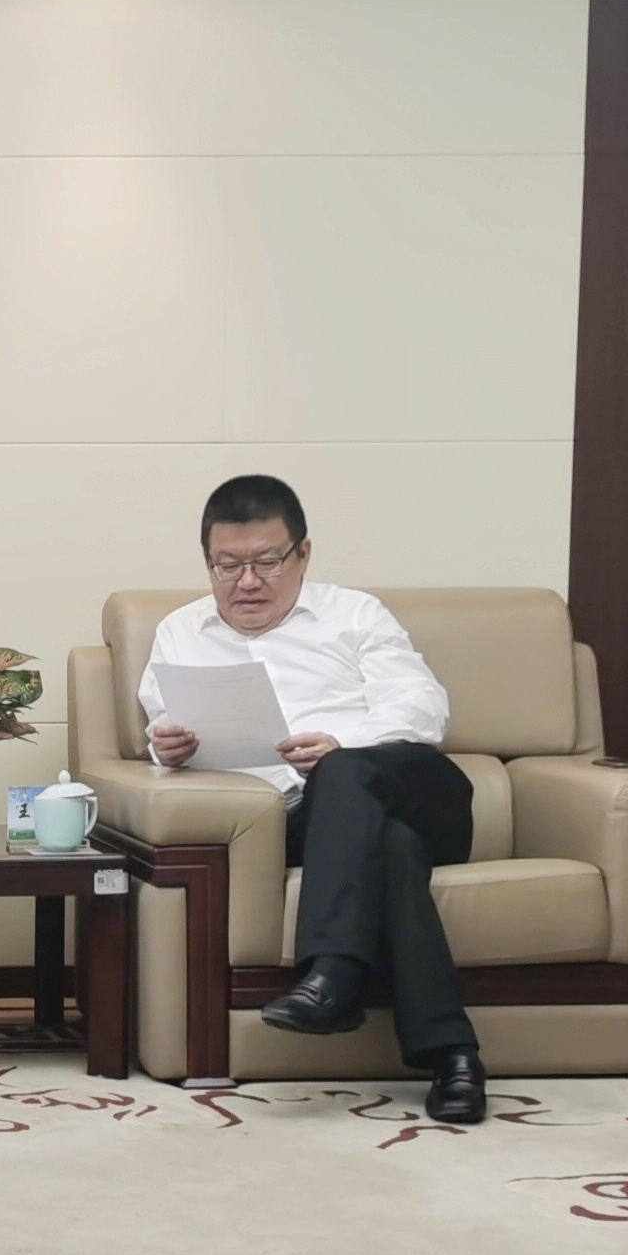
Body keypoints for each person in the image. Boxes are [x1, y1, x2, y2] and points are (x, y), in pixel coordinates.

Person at [138, 473, 488, 1122]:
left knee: (344, 775)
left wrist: (342, 744)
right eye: (227, 565)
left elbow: (423, 708)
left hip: (415, 791)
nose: (247, 582)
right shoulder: (180, 632)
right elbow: (161, 723)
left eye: (266, 562)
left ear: (302, 554)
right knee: (390, 849)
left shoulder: (355, 614)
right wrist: (166, 747)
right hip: (297, 824)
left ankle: (330, 973)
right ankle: (453, 1057)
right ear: (208, 561)